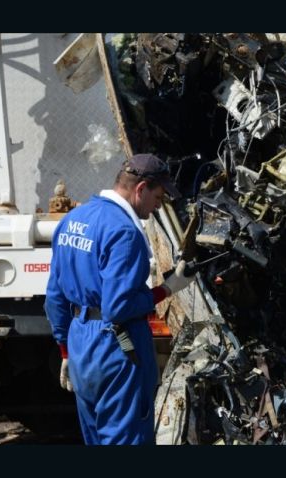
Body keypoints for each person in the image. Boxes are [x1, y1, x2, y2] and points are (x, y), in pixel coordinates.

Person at [44, 153, 195, 445]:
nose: (158, 206)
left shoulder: (73, 220)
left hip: (80, 347)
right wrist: (169, 287)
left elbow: (54, 296)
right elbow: (118, 307)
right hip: (116, 349)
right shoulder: (125, 233)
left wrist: (65, 350)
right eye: (158, 197)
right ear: (140, 189)